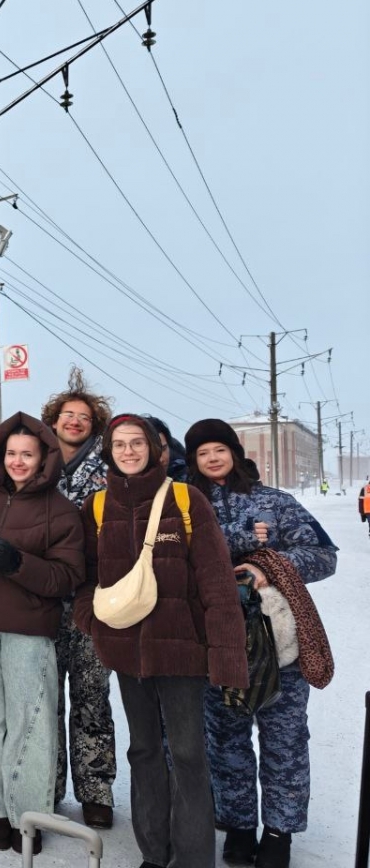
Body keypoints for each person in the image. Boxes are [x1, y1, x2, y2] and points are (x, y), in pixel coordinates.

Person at [76, 414, 248, 868]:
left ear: (155, 449)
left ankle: (194, 859)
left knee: (189, 755)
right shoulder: (97, 507)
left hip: (182, 653)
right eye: (119, 444)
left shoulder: (185, 499)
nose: (128, 451)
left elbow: (217, 582)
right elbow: (84, 577)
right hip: (126, 654)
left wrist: (226, 655)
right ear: (109, 451)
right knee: (144, 751)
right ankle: (154, 853)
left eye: (137, 443)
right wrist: (93, 623)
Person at [186, 419, 338, 868]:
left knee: (284, 740)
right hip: (216, 643)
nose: (213, 458)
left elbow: (323, 556)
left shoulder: (273, 501)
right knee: (225, 739)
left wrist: (266, 566)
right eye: (202, 453)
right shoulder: (185, 505)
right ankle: (238, 826)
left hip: (278, 645)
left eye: (219, 449)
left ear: (234, 452)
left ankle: (278, 832)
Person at [0, 412, 86, 855]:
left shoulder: (60, 510)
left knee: (31, 723)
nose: (18, 462)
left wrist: (18, 564)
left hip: (29, 630)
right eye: (12, 453)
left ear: (44, 458)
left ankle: (27, 814)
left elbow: (67, 577)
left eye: (28, 454)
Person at [39, 369, 116, 829]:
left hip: (92, 601)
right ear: (53, 420)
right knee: (44, 700)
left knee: (92, 698)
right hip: (42, 602)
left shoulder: (109, 470)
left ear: (94, 425)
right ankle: (45, 786)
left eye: (83, 417)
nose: (74, 421)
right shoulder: (34, 463)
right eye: (67, 414)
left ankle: (96, 791)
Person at [143, 414, 188, 483]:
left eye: (164, 449)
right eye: (152, 452)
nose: (161, 459)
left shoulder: (188, 482)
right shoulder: (126, 484)